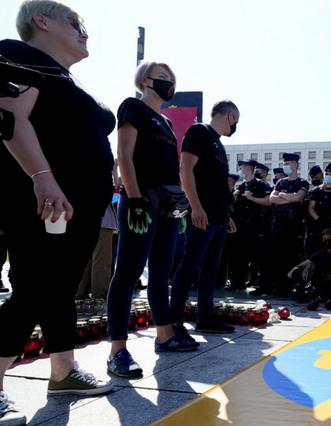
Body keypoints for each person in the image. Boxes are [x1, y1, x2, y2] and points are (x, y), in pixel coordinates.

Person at [0, 1, 114, 426]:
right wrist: (42, 177)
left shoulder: (62, 76)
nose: (84, 32)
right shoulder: (21, 55)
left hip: (73, 204)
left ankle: (64, 372)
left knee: (58, 287)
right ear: (41, 21)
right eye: (76, 23)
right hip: (46, 200)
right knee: (35, 285)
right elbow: (10, 118)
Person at [106, 60, 198, 379]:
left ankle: (165, 336)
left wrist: (179, 207)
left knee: (161, 270)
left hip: (167, 204)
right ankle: (117, 350)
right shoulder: (132, 107)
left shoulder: (167, 122)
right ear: (145, 81)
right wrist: (134, 199)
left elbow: (170, 169)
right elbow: (124, 156)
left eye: (172, 79)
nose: (169, 83)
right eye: (163, 78)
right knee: (128, 272)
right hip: (141, 199)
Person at [170, 100, 240, 333]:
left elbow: (218, 185)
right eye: (236, 121)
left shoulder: (218, 145)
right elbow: (185, 170)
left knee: (211, 270)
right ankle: (174, 321)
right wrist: (196, 207)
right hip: (202, 215)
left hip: (218, 218)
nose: (235, 126)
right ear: (229, 116)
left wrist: (226, 215)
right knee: (190, 265)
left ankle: (206, 318)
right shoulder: (199, 131)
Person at [269, 153, 310, 296]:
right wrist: (290, 198)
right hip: (279, 223)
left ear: (296, 165)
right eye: (284, 163)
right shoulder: (280, 182)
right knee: (278, 256)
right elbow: (272, 199)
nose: (286, 165)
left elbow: (299, 197)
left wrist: (283, 196)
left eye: (289, 163)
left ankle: (296, 287)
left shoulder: (303, 182)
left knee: (293, 256)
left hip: (294, 225)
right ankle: (280, 287)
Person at [228, 159, 272, 290]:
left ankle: (262, 285)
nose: (240, 169)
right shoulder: (241, 186)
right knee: (239, 256)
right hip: (241, 226)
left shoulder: (260, 185)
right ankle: (237, 283)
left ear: (248, 168)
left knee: (258, 258)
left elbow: (269, 201)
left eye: (242, 167)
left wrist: (251, 198)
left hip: (256, 226)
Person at [75, 203, 118, 303]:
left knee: (88, 260)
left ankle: (80, 294)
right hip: (102, 219)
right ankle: (100, 297)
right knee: (101, 261)